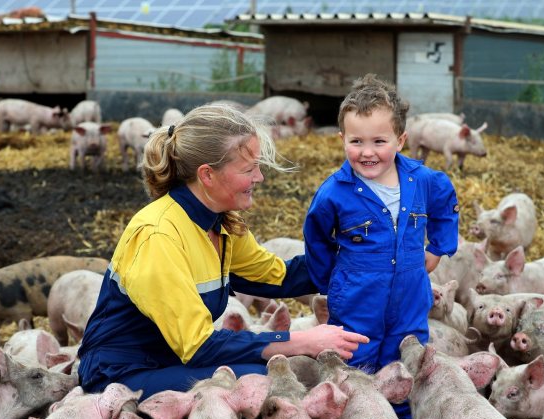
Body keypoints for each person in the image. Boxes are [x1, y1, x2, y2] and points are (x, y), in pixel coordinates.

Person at [77, 103, 369, 400]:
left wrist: (365, 253)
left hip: (170, 359)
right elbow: (199, 346)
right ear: (207, 175)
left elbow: (279, 278)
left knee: (270, 371)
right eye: (249, 169)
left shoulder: (221, 223)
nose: (260, 178)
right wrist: (300, 340)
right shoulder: (159, 235)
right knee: (257, 382)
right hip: (121, 373)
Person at [303, 74, 460, 419]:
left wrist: (438, 247)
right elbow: (316, 235)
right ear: (341, 139)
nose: (367, 152)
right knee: (356, 360)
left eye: (379, 141)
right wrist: (331, 279)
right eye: (356, 141)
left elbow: (445, 205)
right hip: (358, 293)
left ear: (400, 140)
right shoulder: (335, 192)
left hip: (410, 290)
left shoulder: (423, 180)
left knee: (405, 360)